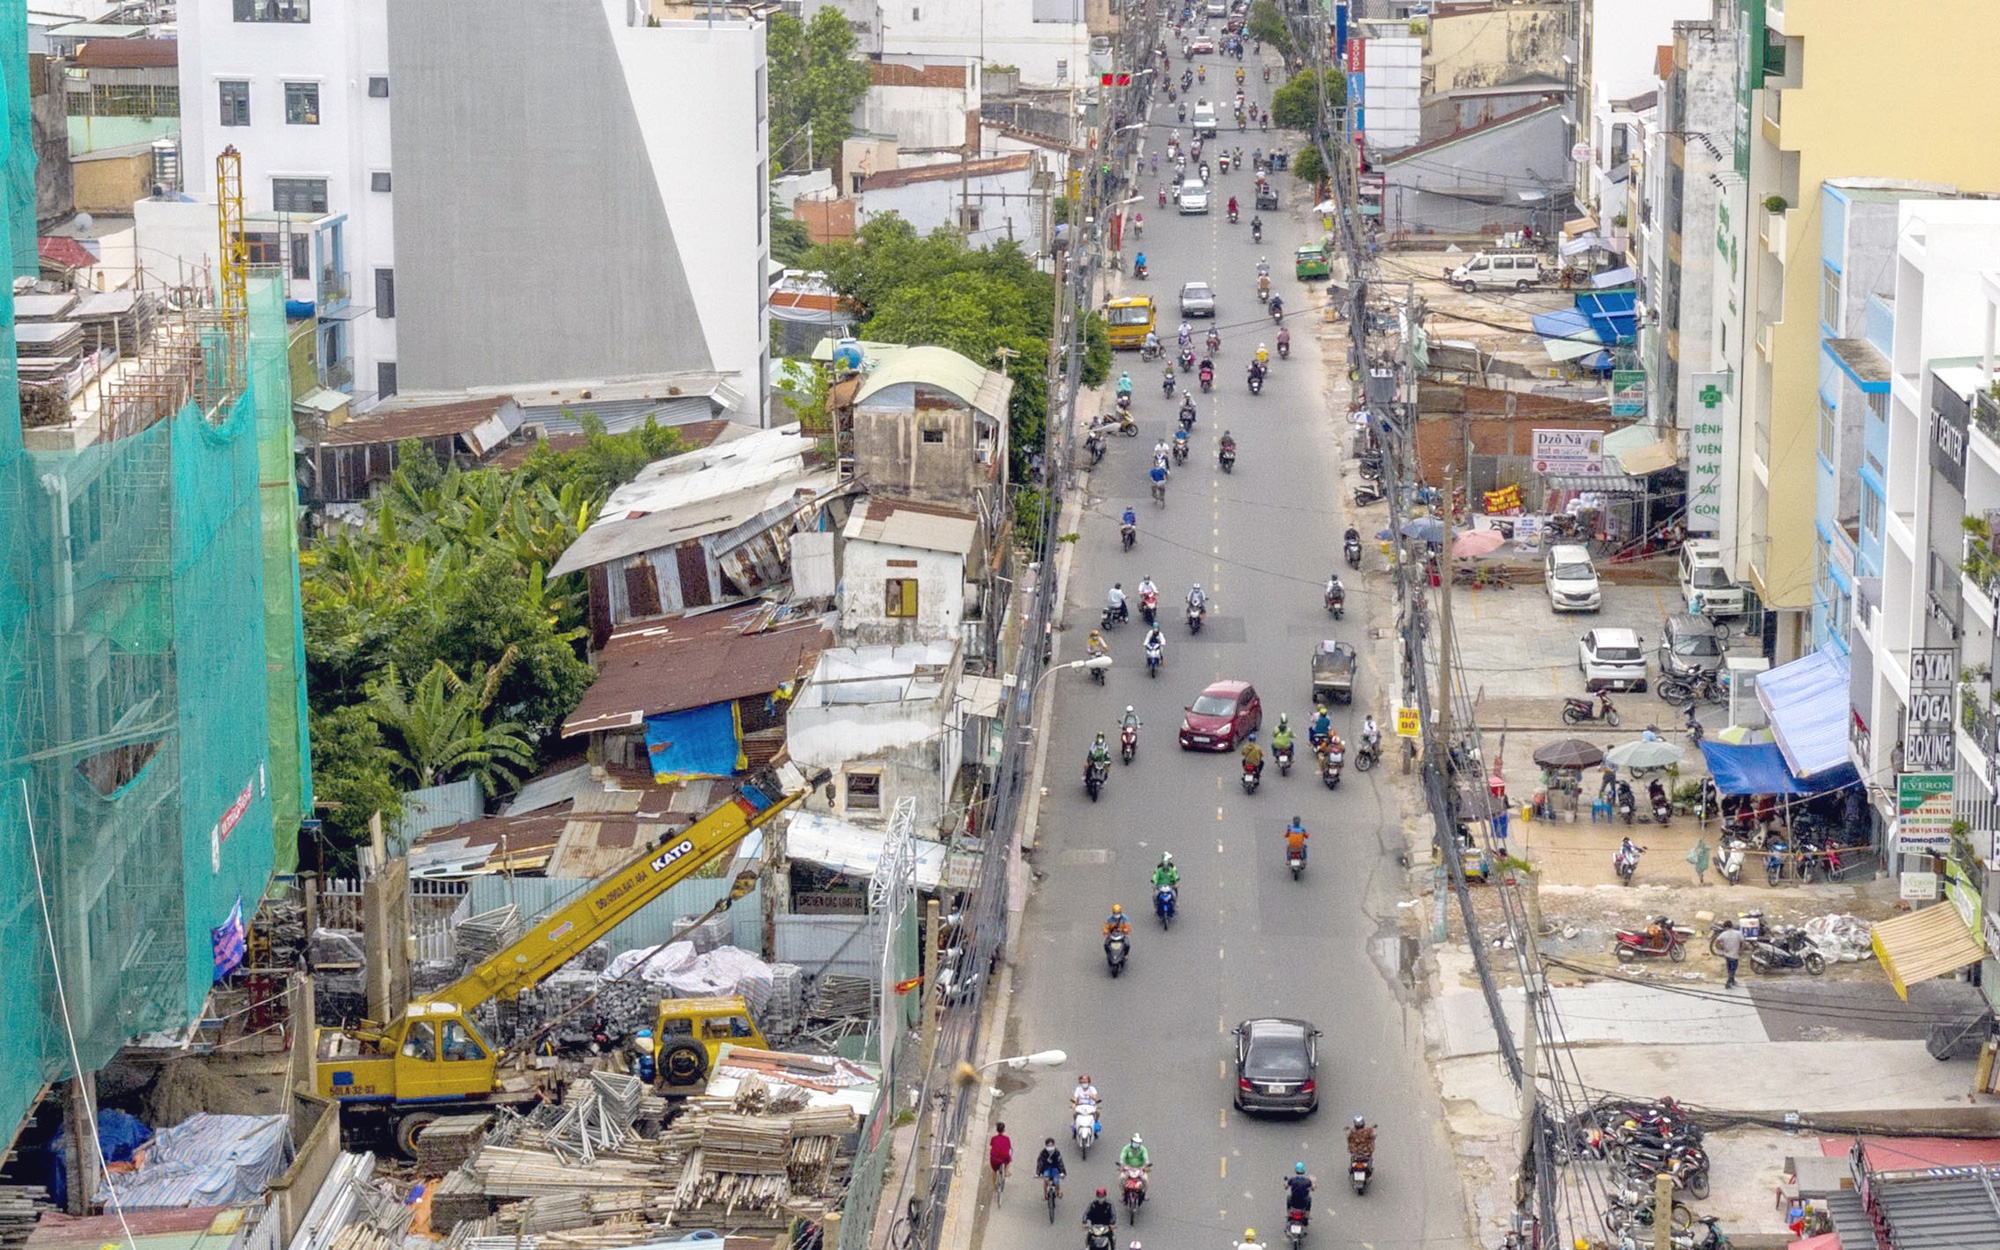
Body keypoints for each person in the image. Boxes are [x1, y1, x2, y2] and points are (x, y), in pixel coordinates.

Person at [1713, 919, 1744, 989]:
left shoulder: (1723, 934)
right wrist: (1741, 950)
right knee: (1733, 969)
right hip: (1735, 954)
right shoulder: (1738, 933)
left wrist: (1722, 948)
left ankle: (1732, 980)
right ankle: (1728, 982)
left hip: (1727, 954)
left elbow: (1716, 942)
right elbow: (1743, 943)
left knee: (1729, 969)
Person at [990, 1123, 1014, 1188]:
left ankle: (994, 1185)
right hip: (1004, 1158)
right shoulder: (1007, 1139)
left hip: (994, 1159)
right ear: (1003, 1130)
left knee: (994, 1171)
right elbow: (1009, 1147)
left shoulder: (994, 1138)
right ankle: (1006, 1172)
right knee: (1008, 1160)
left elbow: (991, 1145)